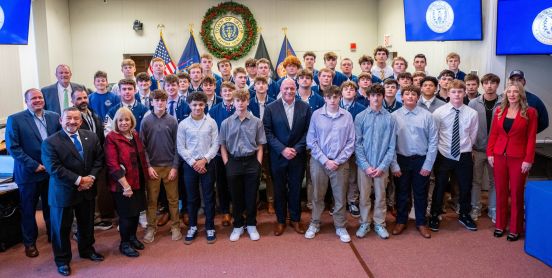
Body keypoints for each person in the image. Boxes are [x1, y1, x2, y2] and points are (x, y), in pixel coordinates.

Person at [41, 107, 105, 276]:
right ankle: (62, 260)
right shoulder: (50, 142)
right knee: (61, 228)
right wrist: (79, 180)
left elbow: (99, 159)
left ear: (81, 121)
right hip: (63, 192)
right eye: (68, 118)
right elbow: (54, 168)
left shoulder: (90, 137)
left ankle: (87, 250)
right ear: (61, 120)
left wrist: (91, 177)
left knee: (87, 223)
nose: (72, 121)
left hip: (87, 189)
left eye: (76, 118)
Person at [5, 88, 61, 258]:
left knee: (50, 206)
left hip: (50, 171)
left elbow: (59, 140)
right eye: (33, 98)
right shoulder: (15, 119)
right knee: (28, 210)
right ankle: (30, 243)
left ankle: (54, 237)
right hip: (29, 173)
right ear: (27, 101)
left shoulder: (52, 116)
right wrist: (34, 165)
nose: (37, 100)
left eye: (40, 97)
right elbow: (13, 147)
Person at [487, 82, 537, 241]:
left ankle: (515, 228)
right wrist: (490, 153)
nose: (512, 94)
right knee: (500, 191)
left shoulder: (530, 112)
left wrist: (528, 159)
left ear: (521, 94)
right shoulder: (499, 111)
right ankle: (500, 225)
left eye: (516, 92)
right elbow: (493, 134)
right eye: (509, 92)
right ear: (505, 94)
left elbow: (531, 138)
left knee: (516, 193)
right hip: (499, 156)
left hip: (519, 158)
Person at [305, 85, 355, 242]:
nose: (332, 100)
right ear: (324, 98)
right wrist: (325, 160)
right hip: (320, 162)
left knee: (340, 196)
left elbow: (351, 142)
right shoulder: (316, 115)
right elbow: (311, 141)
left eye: (335, 97)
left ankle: (340, 225)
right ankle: (314, 223)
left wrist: (337, 161)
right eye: (329, 97)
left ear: (340, 98)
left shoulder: (347, 116)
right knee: (317, 195)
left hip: (340, 163)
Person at [264, 78, 312, 236]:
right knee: (279, 190)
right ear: (281, 89)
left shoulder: (304, 107)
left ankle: (296, 219)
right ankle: (280, 220)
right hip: (278, 156)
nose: (289, 91)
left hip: (297, 157)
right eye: (286, 88)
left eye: (292, 88)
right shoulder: (271, 108)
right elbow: (268, 132)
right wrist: (283, 149)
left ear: (296, 88)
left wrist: (297, 149)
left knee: (296, 189)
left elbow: (308, 131)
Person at [429, 80, 479, 232]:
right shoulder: (439, 113)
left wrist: (467, 149)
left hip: (464, 155)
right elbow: (435, 135)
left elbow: (473, 135)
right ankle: (435, 215)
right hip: (443, 154)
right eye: (453, 92)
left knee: (465, 187)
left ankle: (464, 214)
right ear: (448, 93)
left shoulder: (472, 113)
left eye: (459, 92)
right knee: (440, 187)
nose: (457, 95)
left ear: (464, 93)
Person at [219, 89, 267, 241]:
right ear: (233, 103)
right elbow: (223, 145)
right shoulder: (226, 123)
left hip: (252, 161)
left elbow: (260, 144)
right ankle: (238, 225)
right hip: (233, 162)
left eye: (243, 100)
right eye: (237, 101)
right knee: (236, 196)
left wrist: (258, 164)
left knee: (251, 195)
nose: (240, 103)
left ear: (247, 102)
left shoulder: (256, 122)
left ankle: (252, 224)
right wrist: (227, 164)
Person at [391, 85, 438, 239]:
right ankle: (401, 221)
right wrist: (394, 164)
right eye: (407, 94)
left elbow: (433, 141)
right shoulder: (394, 116)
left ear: (418, 97)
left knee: (420, 193)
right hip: (401, 159)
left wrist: (428, 164)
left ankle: (421, 222)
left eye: (413, 94)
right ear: (402, 97)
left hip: (421, 160)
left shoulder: (427, 116)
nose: (410, 96)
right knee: (402, 193)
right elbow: (390, 143)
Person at [354, 84, 396, 240]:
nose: (376, 98)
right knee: (364, 196)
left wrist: (383, 166)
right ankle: (364, 222)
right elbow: (357, 144)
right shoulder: (360, 117)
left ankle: (379, 223)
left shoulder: (390, 118)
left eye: (379, 95)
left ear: (383, 97)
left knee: (381, 196)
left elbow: (392, 146)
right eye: (373, 95)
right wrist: (365, 165)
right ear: (368, 97)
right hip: (364, 166)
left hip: (381, 166)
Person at [104, 107, 147, 257]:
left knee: (135, 213)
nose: (124, 123)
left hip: (137, 181)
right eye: (121, 120)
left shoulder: (134, 134)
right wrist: (126, 186)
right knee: (126, 215)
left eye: (127, 119)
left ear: (132, 121)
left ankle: (133, 237)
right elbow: (112, 164)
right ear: (116, 121)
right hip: (122, 185)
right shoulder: (111, 137)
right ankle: (125, 243)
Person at [177, 92, 220, 244]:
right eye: (194, 105)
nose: (197, 107)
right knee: (192, 197)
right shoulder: (183, 124)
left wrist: (205, 160)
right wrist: (193, 162)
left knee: (208, 196)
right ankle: (193, 226)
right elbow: (181, 147)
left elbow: (215, 144)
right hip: (190, 165)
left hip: (208, 163)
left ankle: (210, 226)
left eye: (201, 105)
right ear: (189, 105)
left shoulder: (211, 122)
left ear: (205, 105)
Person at [140, 89, 181, 243]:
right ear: (152, 102)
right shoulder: (146, 121)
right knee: (152, 200)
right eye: (156, 100)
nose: (160, 103)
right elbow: (142, 147)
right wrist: (148, 166)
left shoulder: (172, 121)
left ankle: (175, 226)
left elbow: (178, 146)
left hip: (170, 166)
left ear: (166, 102)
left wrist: (175, 167)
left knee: (173, 199)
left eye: (162, 100)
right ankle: (151, 227)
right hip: (153, 168)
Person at [71, 87, 114, 231]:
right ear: (72, 101)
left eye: (84, 98)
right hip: (80, 161)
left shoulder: (92, 113)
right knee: (80, 193)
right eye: (79, 98)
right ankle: (78, 228)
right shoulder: (72, 117)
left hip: (96, 159)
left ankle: (95, 220)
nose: (83, 101)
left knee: (94, 191)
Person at [468, 73, 502, 222]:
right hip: (477, 149)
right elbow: (467, 127)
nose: (489, 86)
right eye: (486, 83)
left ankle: (493, 209)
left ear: (497, 85)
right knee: (475, 180)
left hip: (497, 151)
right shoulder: (473, 103)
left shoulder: (504, 102)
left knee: (495, 181)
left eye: (493, 83)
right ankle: (475, 207)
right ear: (482, 85)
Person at [209, 81, 237, 226]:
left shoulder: (239, 107)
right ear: (220, 93)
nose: (227, 94)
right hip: (219, 155)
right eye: (225, 91)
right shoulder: (213, 111)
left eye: (230, 91)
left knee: (236, 183)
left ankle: (238, 209)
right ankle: (225, 212)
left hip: (237, 154)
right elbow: (211, 133)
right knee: (222, 184)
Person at [248, 76, 276, 214]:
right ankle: (255, 201)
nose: (260, 86)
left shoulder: (274, 102)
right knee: (254, 174)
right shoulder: (248, 103)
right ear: (254, 87)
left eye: (263, 83)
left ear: (267, 86)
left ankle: (271, 201)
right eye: (257, 84)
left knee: (270, 174)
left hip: (269, 144)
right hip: (253, 144)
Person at [339, 81, 366, 218]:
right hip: (338, 148)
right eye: (346, 89)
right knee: (338, 176)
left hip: (355, 148)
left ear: (356, 93)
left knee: (353, 177)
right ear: (341, 92)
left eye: (351, 89)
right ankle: (338, 202)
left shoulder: (361, 108)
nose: (349, 91)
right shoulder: (334, 106)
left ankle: (352, 201)